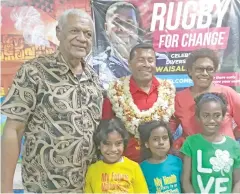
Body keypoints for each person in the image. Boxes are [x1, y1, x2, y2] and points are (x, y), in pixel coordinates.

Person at [1, 9, 103, 193]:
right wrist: (4, 188)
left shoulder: (93, 79)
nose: (82, 38)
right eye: (74, 31)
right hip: (45, 187)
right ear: (58, 32)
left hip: (89, 187)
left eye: (88, 34)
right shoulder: (34, 71)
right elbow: (13, 130)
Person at [102, 43, 176, 163]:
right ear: (130, 64)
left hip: (159, 163)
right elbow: (107, 128)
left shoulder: (168, 90)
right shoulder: (116, 91)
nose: (146, 64)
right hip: (125, 163)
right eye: (141, 60)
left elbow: (172, 125)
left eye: (150, 60)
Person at [170, 48, 240, 149]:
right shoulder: (179, 98)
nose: (205, 73)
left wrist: (226, 139)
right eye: (199, 69)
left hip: (224, 155)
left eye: (209, 69)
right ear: (190, 71)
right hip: (193, 155)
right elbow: (169, 129)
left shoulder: (228, 93)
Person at [91, 2, 169, 89]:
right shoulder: (96, 66)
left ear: (137, 26)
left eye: (129, 22)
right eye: (117, 22)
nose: (124, 28)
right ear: (106, 28)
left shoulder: (161, 61)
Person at [181, 93, 240, 193]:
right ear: (198, 117)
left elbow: (238, 181)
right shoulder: (190, 143)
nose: (211, 120)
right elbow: (185, 181)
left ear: (223, 117)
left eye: (217, 115)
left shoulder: (233, 146)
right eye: (206, 115)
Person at [84, 118, 148, 193]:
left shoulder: (134, 168)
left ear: (124, 143)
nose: (113, 149)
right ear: (98, 144)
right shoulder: (93, 170)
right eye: (107, 143)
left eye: (118, 143)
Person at [139, 121, 182, 193]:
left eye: (165, 138)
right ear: (147, 144)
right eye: (155, 139)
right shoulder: (141, 169)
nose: (161, 142)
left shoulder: (177, 162)